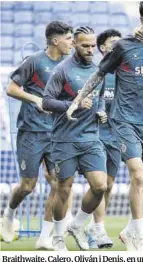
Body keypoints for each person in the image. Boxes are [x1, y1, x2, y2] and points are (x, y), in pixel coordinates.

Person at [66, 1, 143, 251]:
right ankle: (139, 234)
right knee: (136, 174)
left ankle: (128, 229)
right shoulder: (124, 46)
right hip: (125, 120)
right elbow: (98, 75)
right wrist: (77, 100)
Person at [2, 21, 73, 249]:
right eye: (68, 38)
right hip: (31, 131)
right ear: (55, 40)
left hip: (57, 133)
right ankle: (9, 215)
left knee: (57, 183)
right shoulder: (34, 61)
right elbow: (11, 89)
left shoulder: (68, 64)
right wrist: (36, 100)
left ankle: (44, 238)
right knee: (27, 186)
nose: (72, 43)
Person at [43, 26, 107, 251]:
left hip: (91, 138)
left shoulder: (100, 71)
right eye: (85, 45)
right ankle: (58, 237)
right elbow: (46, 102)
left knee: (100, 186)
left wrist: (102, 110)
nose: (90, 50)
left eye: (92, 46)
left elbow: (100, 98)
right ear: (75, 45)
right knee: (64, 189)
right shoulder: (62, 70)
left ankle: (78, 225)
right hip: (65, 139)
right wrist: (74, 104)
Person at [85, 29, 122, 249]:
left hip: (116, 136)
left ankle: (95, 226)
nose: (118, 46)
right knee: (98, 184)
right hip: (96, 135)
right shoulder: (97, 73)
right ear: (102, 48)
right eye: (113, 43)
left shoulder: (126, 74)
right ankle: (96, 229)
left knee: (108, 186)